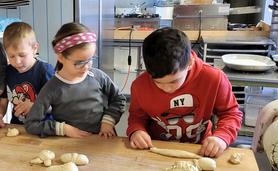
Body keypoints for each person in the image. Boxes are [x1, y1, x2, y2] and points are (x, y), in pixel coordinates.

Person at [127, 27, 243, 158]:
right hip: (156, 148)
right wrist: (136, 131)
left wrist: (222, 137)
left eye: (173, 82)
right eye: (157, 82)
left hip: (201, 149)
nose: (167, 89)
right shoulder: (140, 85)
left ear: (190, 64)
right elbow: (137, 117)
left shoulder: (213, 78)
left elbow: (230, 114)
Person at [24, 22, 126, 139]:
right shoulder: (51, 88)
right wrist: (63, 129)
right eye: (79, 63)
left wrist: (108, 121)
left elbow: (119, 99)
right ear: (61, 57)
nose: (86, 67)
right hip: (68, 145)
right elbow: (31, 124)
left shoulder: (98, 76)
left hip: (102, 140)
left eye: (90, 59)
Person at [0, 22, 55, 133]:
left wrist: (35, 106)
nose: (17, 61)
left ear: (34, 48)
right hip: (18, 128)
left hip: (44, 129)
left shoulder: (45, 71)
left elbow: (58, 108)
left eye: (22, 55)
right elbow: (3, 103)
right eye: (11, 56)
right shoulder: (7, 72)